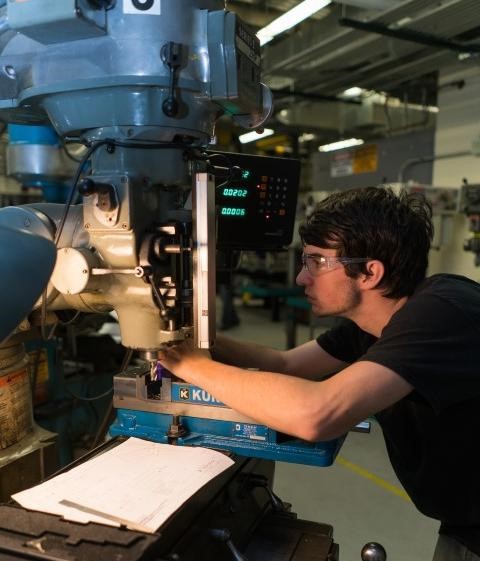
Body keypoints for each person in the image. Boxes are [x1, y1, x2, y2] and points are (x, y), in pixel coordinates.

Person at [158, 185, 480, 561]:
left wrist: (189, 365)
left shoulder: (443, 313)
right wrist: (193, 335)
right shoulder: (374, 323)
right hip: (463, 524)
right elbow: (285, 364)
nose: (301, 278)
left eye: (316, 262)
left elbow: (316, 414)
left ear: (370, 273)